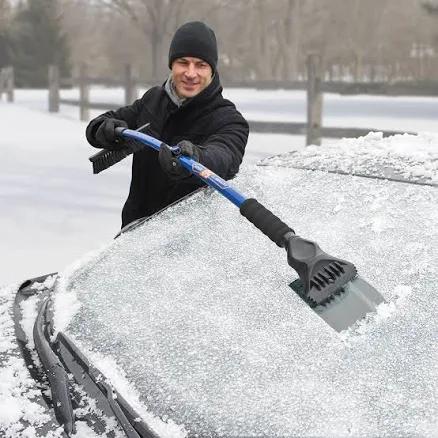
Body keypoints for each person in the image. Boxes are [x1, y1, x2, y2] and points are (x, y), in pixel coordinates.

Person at [86, 21, 249, 228]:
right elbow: (104, 123)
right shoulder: (153, 100)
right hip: (133, 234)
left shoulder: (229, 120)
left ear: (212, 70)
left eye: (201, 65)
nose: (191, 73)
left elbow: (224, 156)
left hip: (188, 244)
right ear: (172, 65)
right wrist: (102, 129)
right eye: (183, 62)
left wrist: (196, 158)